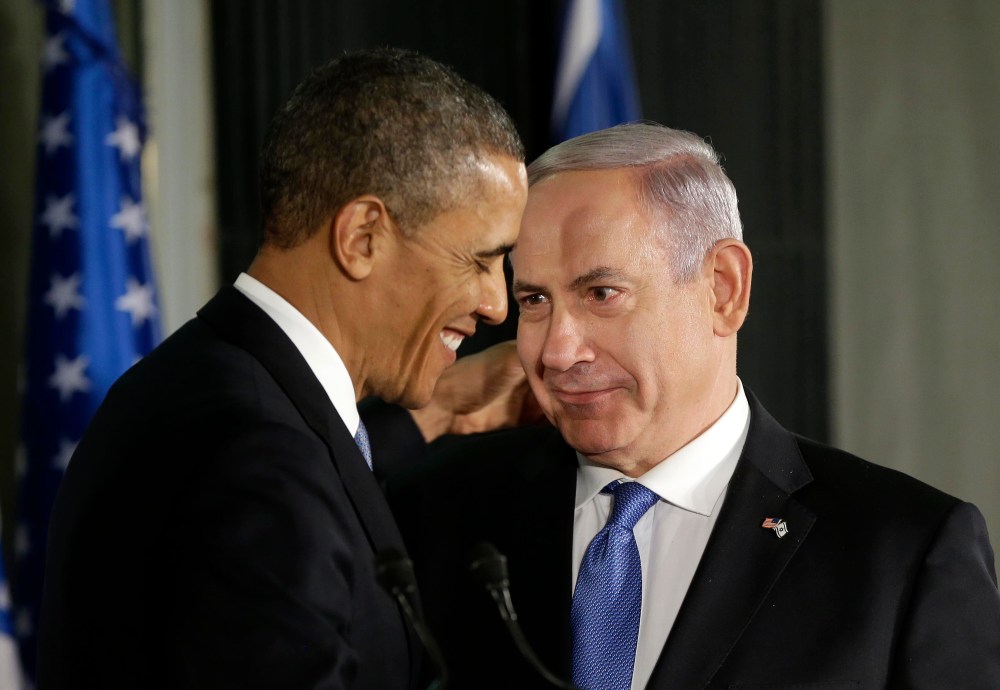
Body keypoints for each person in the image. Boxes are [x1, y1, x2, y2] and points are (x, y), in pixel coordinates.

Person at [388, 122, 1000, 689]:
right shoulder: (439, 512)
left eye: (602, 293)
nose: (557, 351)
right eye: (535, 301)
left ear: (723, 289)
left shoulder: (901, 551)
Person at [37, 48, 529, 690]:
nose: (498, 304)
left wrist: (437, 411)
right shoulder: (257, 459)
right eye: (480, 260)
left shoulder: (195, 381)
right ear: (362, 238)